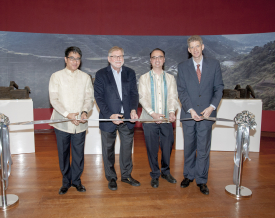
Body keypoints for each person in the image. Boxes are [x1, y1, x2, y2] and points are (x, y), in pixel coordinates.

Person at [177, 35, 224, 195]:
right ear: (189, 50)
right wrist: (190, 109)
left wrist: (211, 107)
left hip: (206, 115)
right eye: (192, 47)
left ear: (202, 47)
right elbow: (181, 91)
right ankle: (188, 176)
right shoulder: (182, 66)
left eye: (198, 46)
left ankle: (202, 180)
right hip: (189, 115)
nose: (195, 49)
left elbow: (219, 88)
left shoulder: (214, 64)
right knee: (189, 147)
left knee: (203, 149)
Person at [49, 46, 94, 195]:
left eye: (78, 59)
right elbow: (54, 100)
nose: (75, 61)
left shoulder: (86, 77)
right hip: (62, 123)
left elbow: (89, 99)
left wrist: (84, 112)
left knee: (78, 155)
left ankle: (76, 181)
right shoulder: (56, 76)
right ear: (66, 59)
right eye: (72, 58)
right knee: (63, 154)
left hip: (80, 123)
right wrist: (68, 114)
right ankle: (65, 182)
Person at [94, 46, 140, 191]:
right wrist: (110, 115)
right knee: (108, 150)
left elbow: (134, 94)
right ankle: (111, 177)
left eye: (120, 56)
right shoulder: (101, 74)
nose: (118, 59)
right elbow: (99, 98)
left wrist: (133, 109)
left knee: (127, 149)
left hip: (127, 119)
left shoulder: (130, 73)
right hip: (109, 119)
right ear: (109, 59)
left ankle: (126, 175)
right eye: (115, 56)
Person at [138, 48, 179, 188]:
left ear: (164, 59)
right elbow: (142, 98)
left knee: (167, 146)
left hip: (167, 120)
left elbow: (173, 97)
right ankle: (155, 173)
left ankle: (166, 172)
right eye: (154, 57)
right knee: (152, 148)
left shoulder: (170, 78)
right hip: (149, 120)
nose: (157, 60)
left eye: (160, 57)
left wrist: (172, 112)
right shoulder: (143, 78)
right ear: (150, 60)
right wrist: (152, 113)